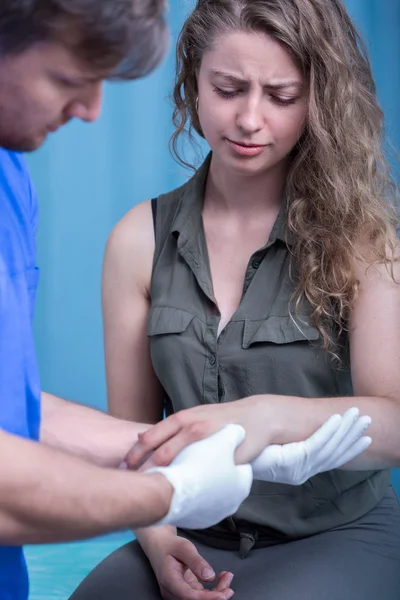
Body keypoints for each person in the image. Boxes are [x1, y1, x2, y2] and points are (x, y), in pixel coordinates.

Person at [71, 0, 400, 599]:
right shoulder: (136, 239)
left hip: (333, 536)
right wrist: (157, 534)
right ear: (193, 82)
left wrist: (269, 418)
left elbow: (396, 422)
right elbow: (132, 435)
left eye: (281, 96)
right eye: (228, 89)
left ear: (318, 102)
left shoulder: (363, 240)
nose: (250, 119)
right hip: (190, 530)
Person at [0, 2, 260, 599]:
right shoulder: (143, 236)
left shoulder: (11, 178)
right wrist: (168, 496)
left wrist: (205, 443)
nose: (91, 110)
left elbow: (20, 413)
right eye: (68, 79)